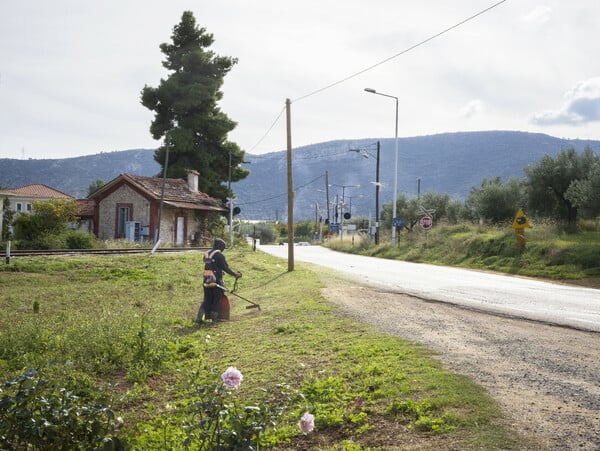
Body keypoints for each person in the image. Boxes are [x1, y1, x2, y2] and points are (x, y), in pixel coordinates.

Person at [196, 238, 241, 325]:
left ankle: (198, 319)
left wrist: (218, 269)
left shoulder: (206, 254)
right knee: (217, 300)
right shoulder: (219, 255)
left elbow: (211, 265)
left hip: (206, 280)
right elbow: (226, 268)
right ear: (221, 247)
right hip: (216, 281)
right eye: (223, 248)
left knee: (207, 300)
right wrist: (235, 274)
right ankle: (214, 321)